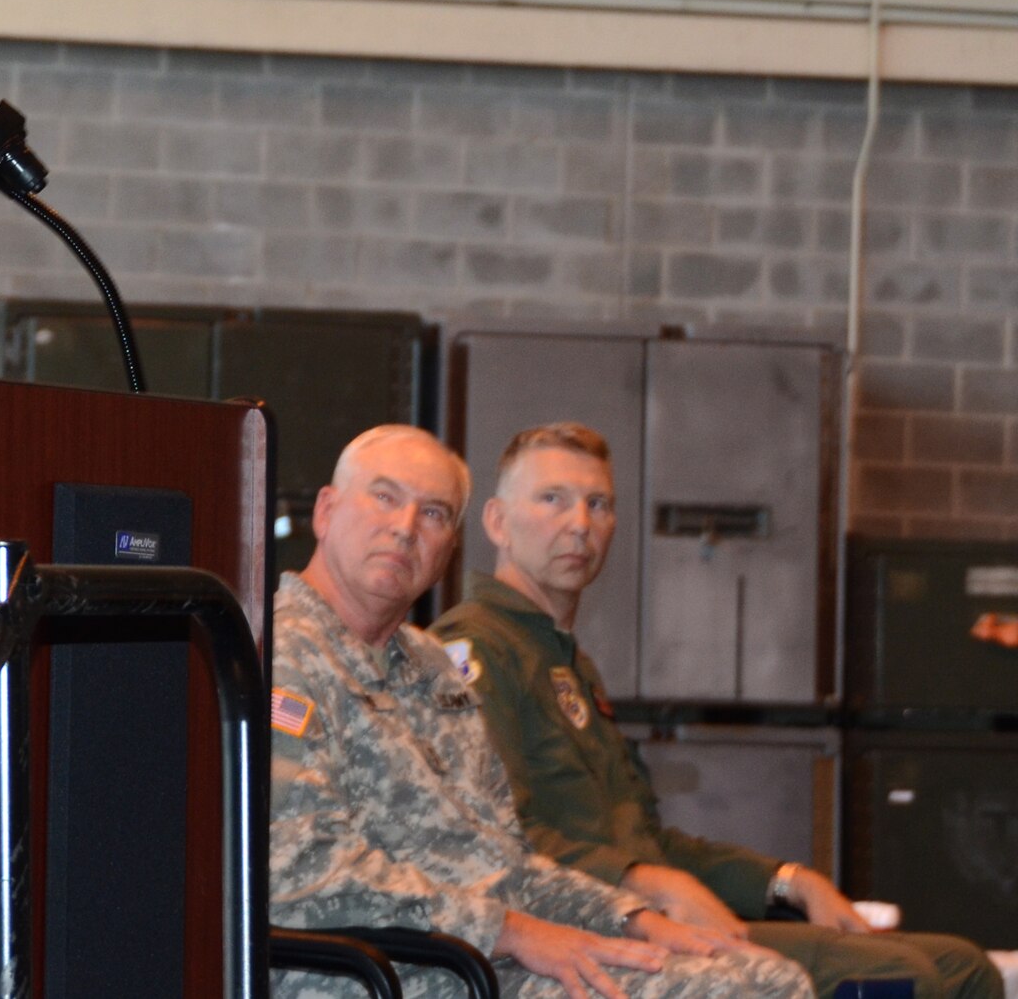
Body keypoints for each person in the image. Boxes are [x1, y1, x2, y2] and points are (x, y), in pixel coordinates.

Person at [432, 423, 999, 999]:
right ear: (497, 522)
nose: (579, 523)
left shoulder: (566, 662)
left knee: (965, 966)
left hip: (651, 916)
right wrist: (641, 882)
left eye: (598, 503)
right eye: (552, 499)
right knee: (906, 980)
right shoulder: (476, 650)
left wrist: (788, 884)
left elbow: (650, 844)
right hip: (584, 932)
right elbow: (495, 841)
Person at [271, 424, 809, 999]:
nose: (404, 529)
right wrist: (510, 931)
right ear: (326, 511)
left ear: (449, 547)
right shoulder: (273, 654)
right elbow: (298, 871)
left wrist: (630, 918)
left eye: (433, 514)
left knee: (768, 978)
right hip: (368, 972)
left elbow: (504, 861)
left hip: (477, 958)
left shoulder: (430, 667)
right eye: (384, 497)